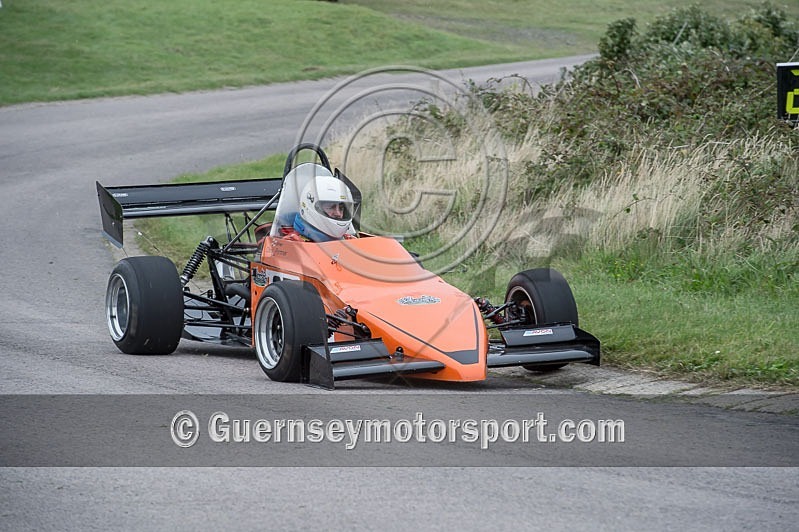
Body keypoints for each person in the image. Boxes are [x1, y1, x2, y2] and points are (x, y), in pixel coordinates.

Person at [283, 174, 356, 242]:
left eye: (341, 208)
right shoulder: (292, 243)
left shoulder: (350, 241)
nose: (338, 213)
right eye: (331, 207)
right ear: (310, 207)